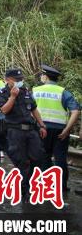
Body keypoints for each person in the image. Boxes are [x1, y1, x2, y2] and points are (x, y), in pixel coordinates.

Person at [0, 67, 47, 200]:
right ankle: (23, 190)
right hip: (15, 131)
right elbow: (4, 110)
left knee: (38, 156)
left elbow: (34, 109)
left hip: (31, 130)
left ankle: (26, 183)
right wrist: (12, 96)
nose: (20, 81)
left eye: (21, 79)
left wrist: (42, 125)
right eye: (17, 80)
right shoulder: (3, 92)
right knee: (22, 161)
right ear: (8, 80)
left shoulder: (26, 91)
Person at [32, 64, 81, 192]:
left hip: (40, 129)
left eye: (42, 75)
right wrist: (67, 129)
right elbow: (75, 111)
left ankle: (45, 183)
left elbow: (28, 110)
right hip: (60, 130)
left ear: (45, 77)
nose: (41, 77)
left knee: (44, 157)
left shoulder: (35, 91)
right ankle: (61, 186)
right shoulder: (63, 92)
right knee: (60, 158)